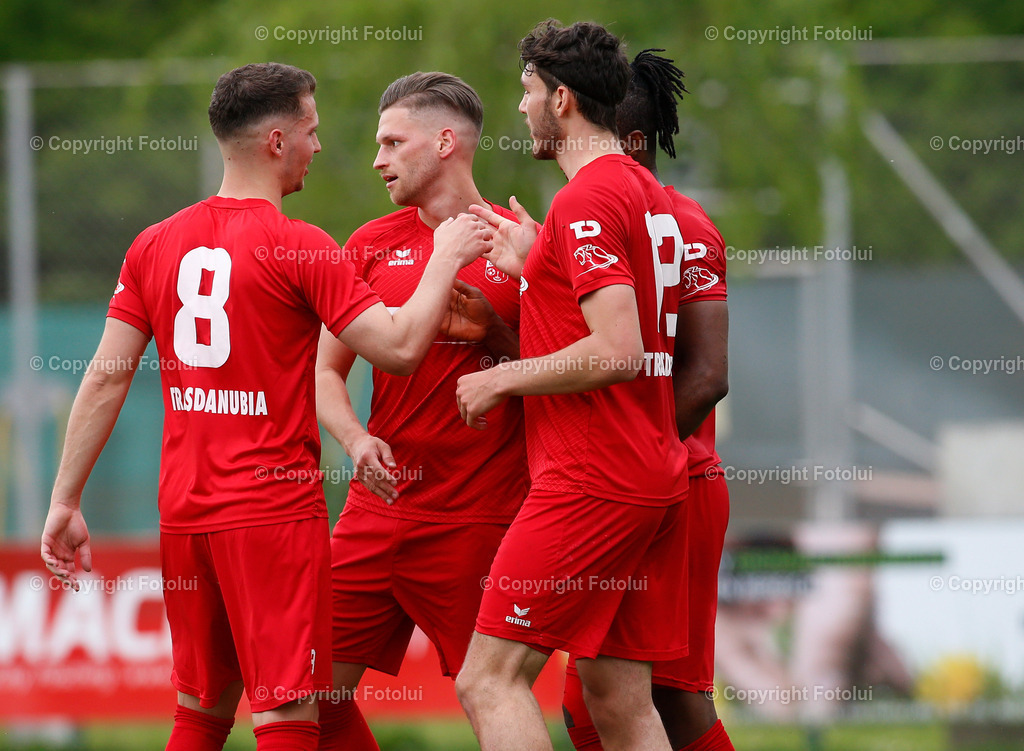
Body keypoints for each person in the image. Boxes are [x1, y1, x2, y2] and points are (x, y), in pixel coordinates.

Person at [39, 62, 492, 751]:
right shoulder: (302, 247)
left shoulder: (153, 244)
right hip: (272, 518)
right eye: (311, 131)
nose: (320, 147)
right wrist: (444, 257)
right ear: (277, 141)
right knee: (287, 717)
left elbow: (104, 379)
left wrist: (65, 501)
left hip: (186, 516)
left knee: (198, 713)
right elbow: (398, 348)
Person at [454, 21, 691, 751]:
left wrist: (504, 379)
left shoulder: (585, 200)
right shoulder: (646, 192)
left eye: (526, 91)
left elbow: (618, 348)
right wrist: (540, 264)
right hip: (650, 471)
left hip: (592, 474)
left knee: (487, 680)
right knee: (618, 700)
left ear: (561, 98)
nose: (519, 107)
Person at [313, 71, 526, 750]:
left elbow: (581, 372)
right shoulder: (369, 242)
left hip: (477, 515)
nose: (377, 159)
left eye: (391, 142)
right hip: (376, 510)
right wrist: (352, 437)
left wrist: (499, 337)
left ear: (443, 143)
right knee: (309, 697)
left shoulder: (522, 244)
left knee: (492, 696)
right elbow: (323, 372)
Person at [560, 50, 735, 751]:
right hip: (640, 479)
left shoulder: (684, 225)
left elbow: (705, 375)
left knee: (669, 691)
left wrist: (641, 455)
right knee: (598, 696)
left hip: (674, 480)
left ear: (628, 140)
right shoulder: (603, 214)